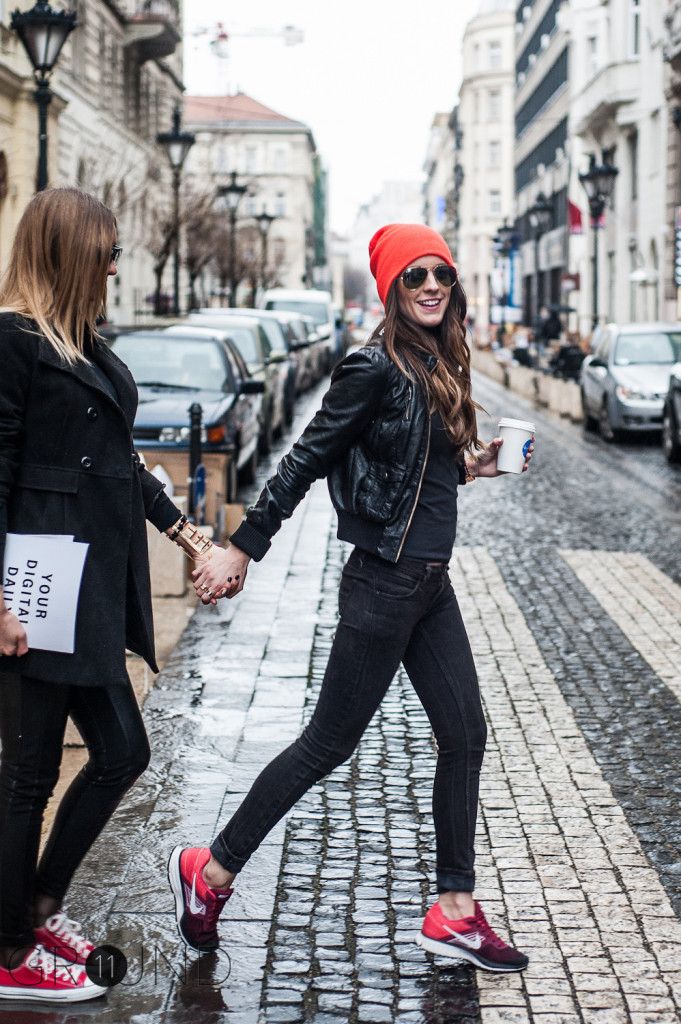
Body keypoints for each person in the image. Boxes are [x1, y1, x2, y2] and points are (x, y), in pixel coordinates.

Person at [170, 224, 534, 973]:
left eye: (439, 273)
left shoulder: (436, 363)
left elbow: (415, 474)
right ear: (391, 291)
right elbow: (305, 459)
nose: (430, 285)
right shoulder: (371, 368)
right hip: (383, 585)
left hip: (427, 584)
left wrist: (477, 467)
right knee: (328, 744)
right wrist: (243, 547)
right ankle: (209, 871)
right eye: (413, 277)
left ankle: (454, 910)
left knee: (464, 733)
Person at [0, 188, 217, 1002]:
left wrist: (182, 531)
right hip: (36, 587)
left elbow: (119, 459)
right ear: (67, 254)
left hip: (83, 586)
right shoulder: (13, 342)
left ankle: (34, 905)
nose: (117, 264)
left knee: (122, 752)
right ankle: (10, 950)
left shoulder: (83, 342)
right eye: (106, 251)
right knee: (26, 774)